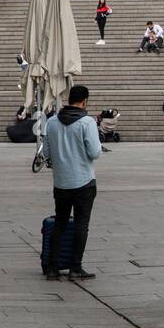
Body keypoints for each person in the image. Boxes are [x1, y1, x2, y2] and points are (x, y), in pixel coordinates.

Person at [41, 84, 102, 281]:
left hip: (61, 182)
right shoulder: (87, 122)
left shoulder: (51, 122)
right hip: (84, 181)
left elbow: (47, 153)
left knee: (60, 222)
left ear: (68, 100)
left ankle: (52, 267)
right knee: (81, 225)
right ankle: (76, 267)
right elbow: (95, 152)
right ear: (85, 101)